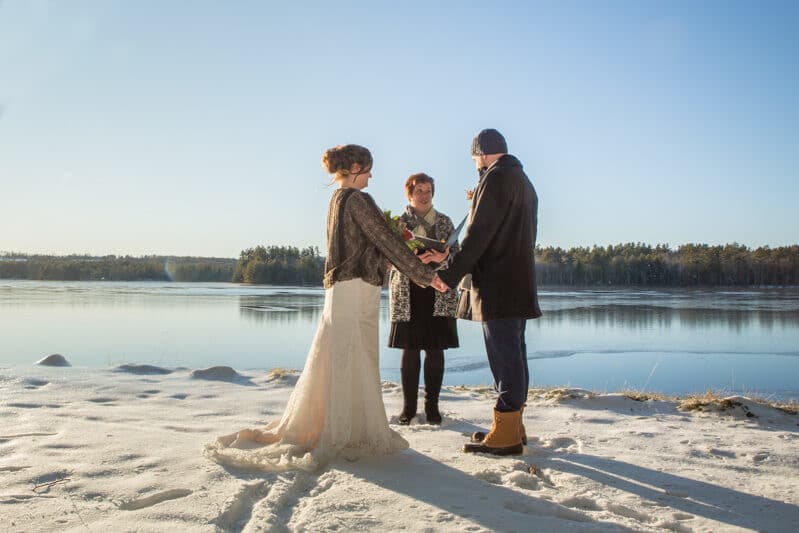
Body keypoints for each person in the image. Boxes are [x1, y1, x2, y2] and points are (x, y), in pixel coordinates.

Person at [206, 144, 448, 471]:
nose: (372, 175)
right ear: (354, 167)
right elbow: (385, 241)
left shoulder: (337, 199)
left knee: (342, 355)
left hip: (344, 288)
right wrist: (425, 275)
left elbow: (371, 245)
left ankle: (346, 424)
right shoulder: (358, 200)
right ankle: (345, 430)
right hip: (356, 289)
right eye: (368, 169)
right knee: (353, 354)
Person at [436, 129, 542, 456]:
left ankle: (507, 434)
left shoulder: (495, 180)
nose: (474, 164)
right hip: (516, 280)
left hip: (497, 283)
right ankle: (512, 426)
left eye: (473, 158)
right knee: (514, 354)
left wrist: (447, 275)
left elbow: (478, 237)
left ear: (481, 153)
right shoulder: (522, 180)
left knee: (504, 356)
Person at [388, 173, 460, 425]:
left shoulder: (445, 221)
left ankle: (432, 407)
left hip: (438, 292)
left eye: (428, 190)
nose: (424, 195)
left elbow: (458, 257)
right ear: (409, 193)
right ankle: (408, 408)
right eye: (419, 190)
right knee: (410, 350)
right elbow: (389, 257)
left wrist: (442, 259)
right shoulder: (398, 224)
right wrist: (414, 262)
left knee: (435, 349)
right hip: (408, 291)